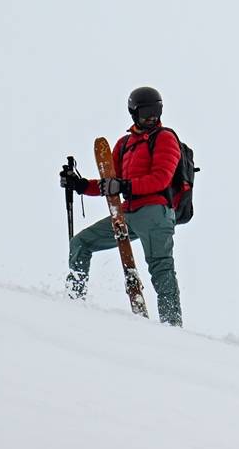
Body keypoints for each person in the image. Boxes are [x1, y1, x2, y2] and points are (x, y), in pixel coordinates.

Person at [59, 86, 183, 327]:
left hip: (155, 213)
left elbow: (161, 178)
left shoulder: (165, 138)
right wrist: (81, 185)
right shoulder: (124, 144)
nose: (151, 118)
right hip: (128, 212)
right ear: (133, 113)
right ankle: (73, 300)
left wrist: (123, 186)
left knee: (161, 268)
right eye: (146, 112)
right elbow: (110, 184)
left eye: (156, 112)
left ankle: (172, 326)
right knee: (81, 243)